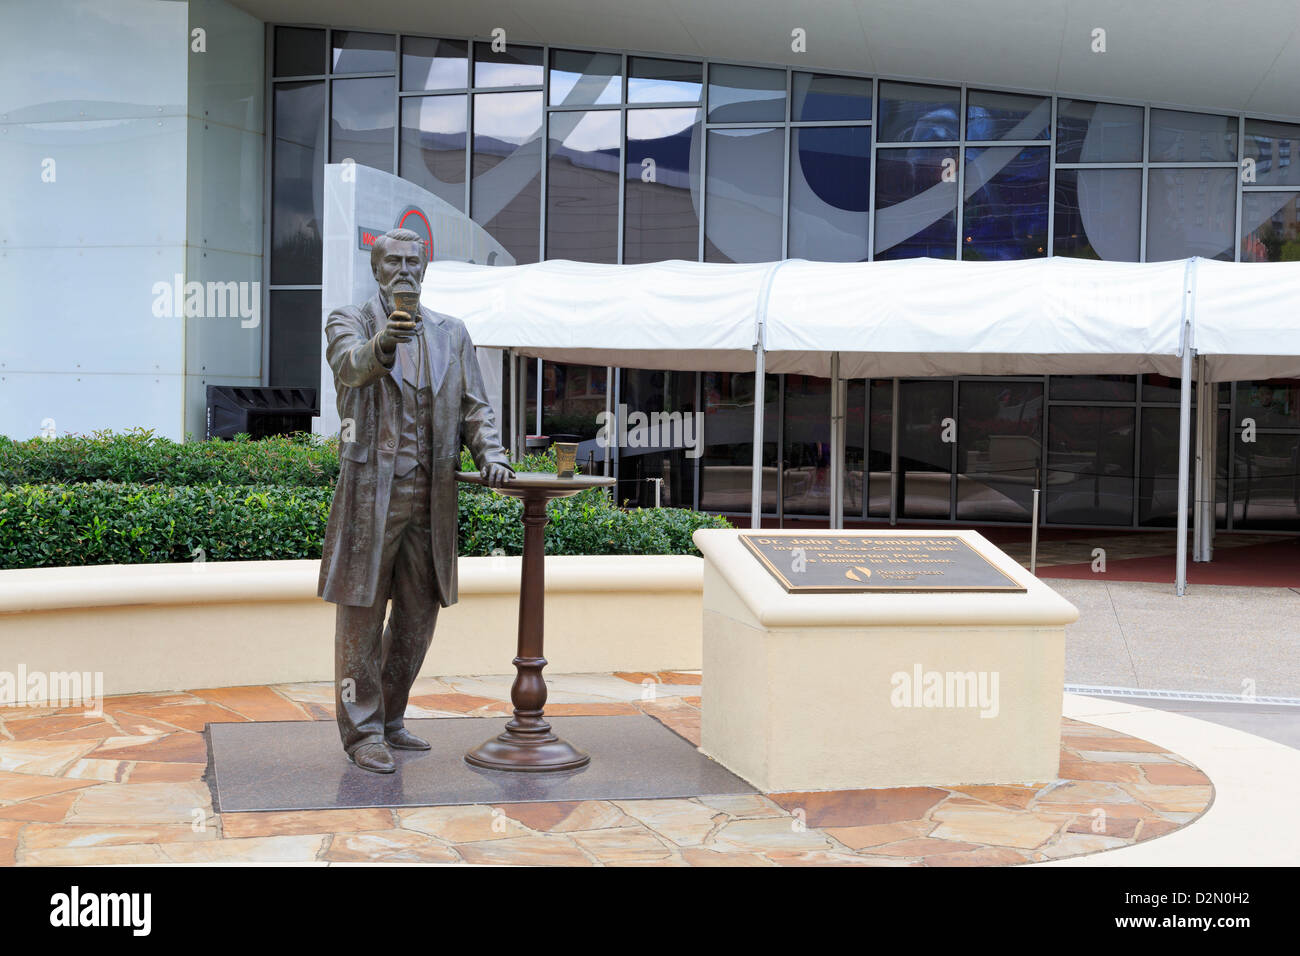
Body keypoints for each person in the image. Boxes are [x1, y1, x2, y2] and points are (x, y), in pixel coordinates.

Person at [317, 228, 513, 773]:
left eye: (413, 261)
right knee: (361, 611)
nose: (404, 270)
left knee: (418, 613)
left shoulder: (453, 333)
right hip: (372, 493)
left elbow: (476, 406)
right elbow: (350, 366)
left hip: (434, 494)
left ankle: (393, 715)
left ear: (425, 270)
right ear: (376, 269)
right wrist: (386, 343)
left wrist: (489, 456)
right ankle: (362, 733)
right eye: (393, 261)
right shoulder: (350, 321)